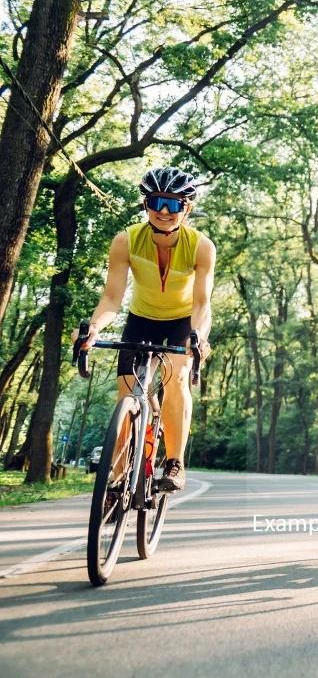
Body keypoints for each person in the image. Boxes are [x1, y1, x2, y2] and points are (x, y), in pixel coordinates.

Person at [77, 167, 215, 492]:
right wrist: (94, 327)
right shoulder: (126, 241)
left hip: (183, 321)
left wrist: (199, 338)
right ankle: (121, 477)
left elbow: (202, 303)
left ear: (187, 208)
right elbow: (111, 298)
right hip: (141, 319)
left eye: (174, 204)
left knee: (177, 379)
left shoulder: (201, 246)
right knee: (127, 395)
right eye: (157, 201)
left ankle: (174, 462)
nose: (164, 212)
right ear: (146, 204)